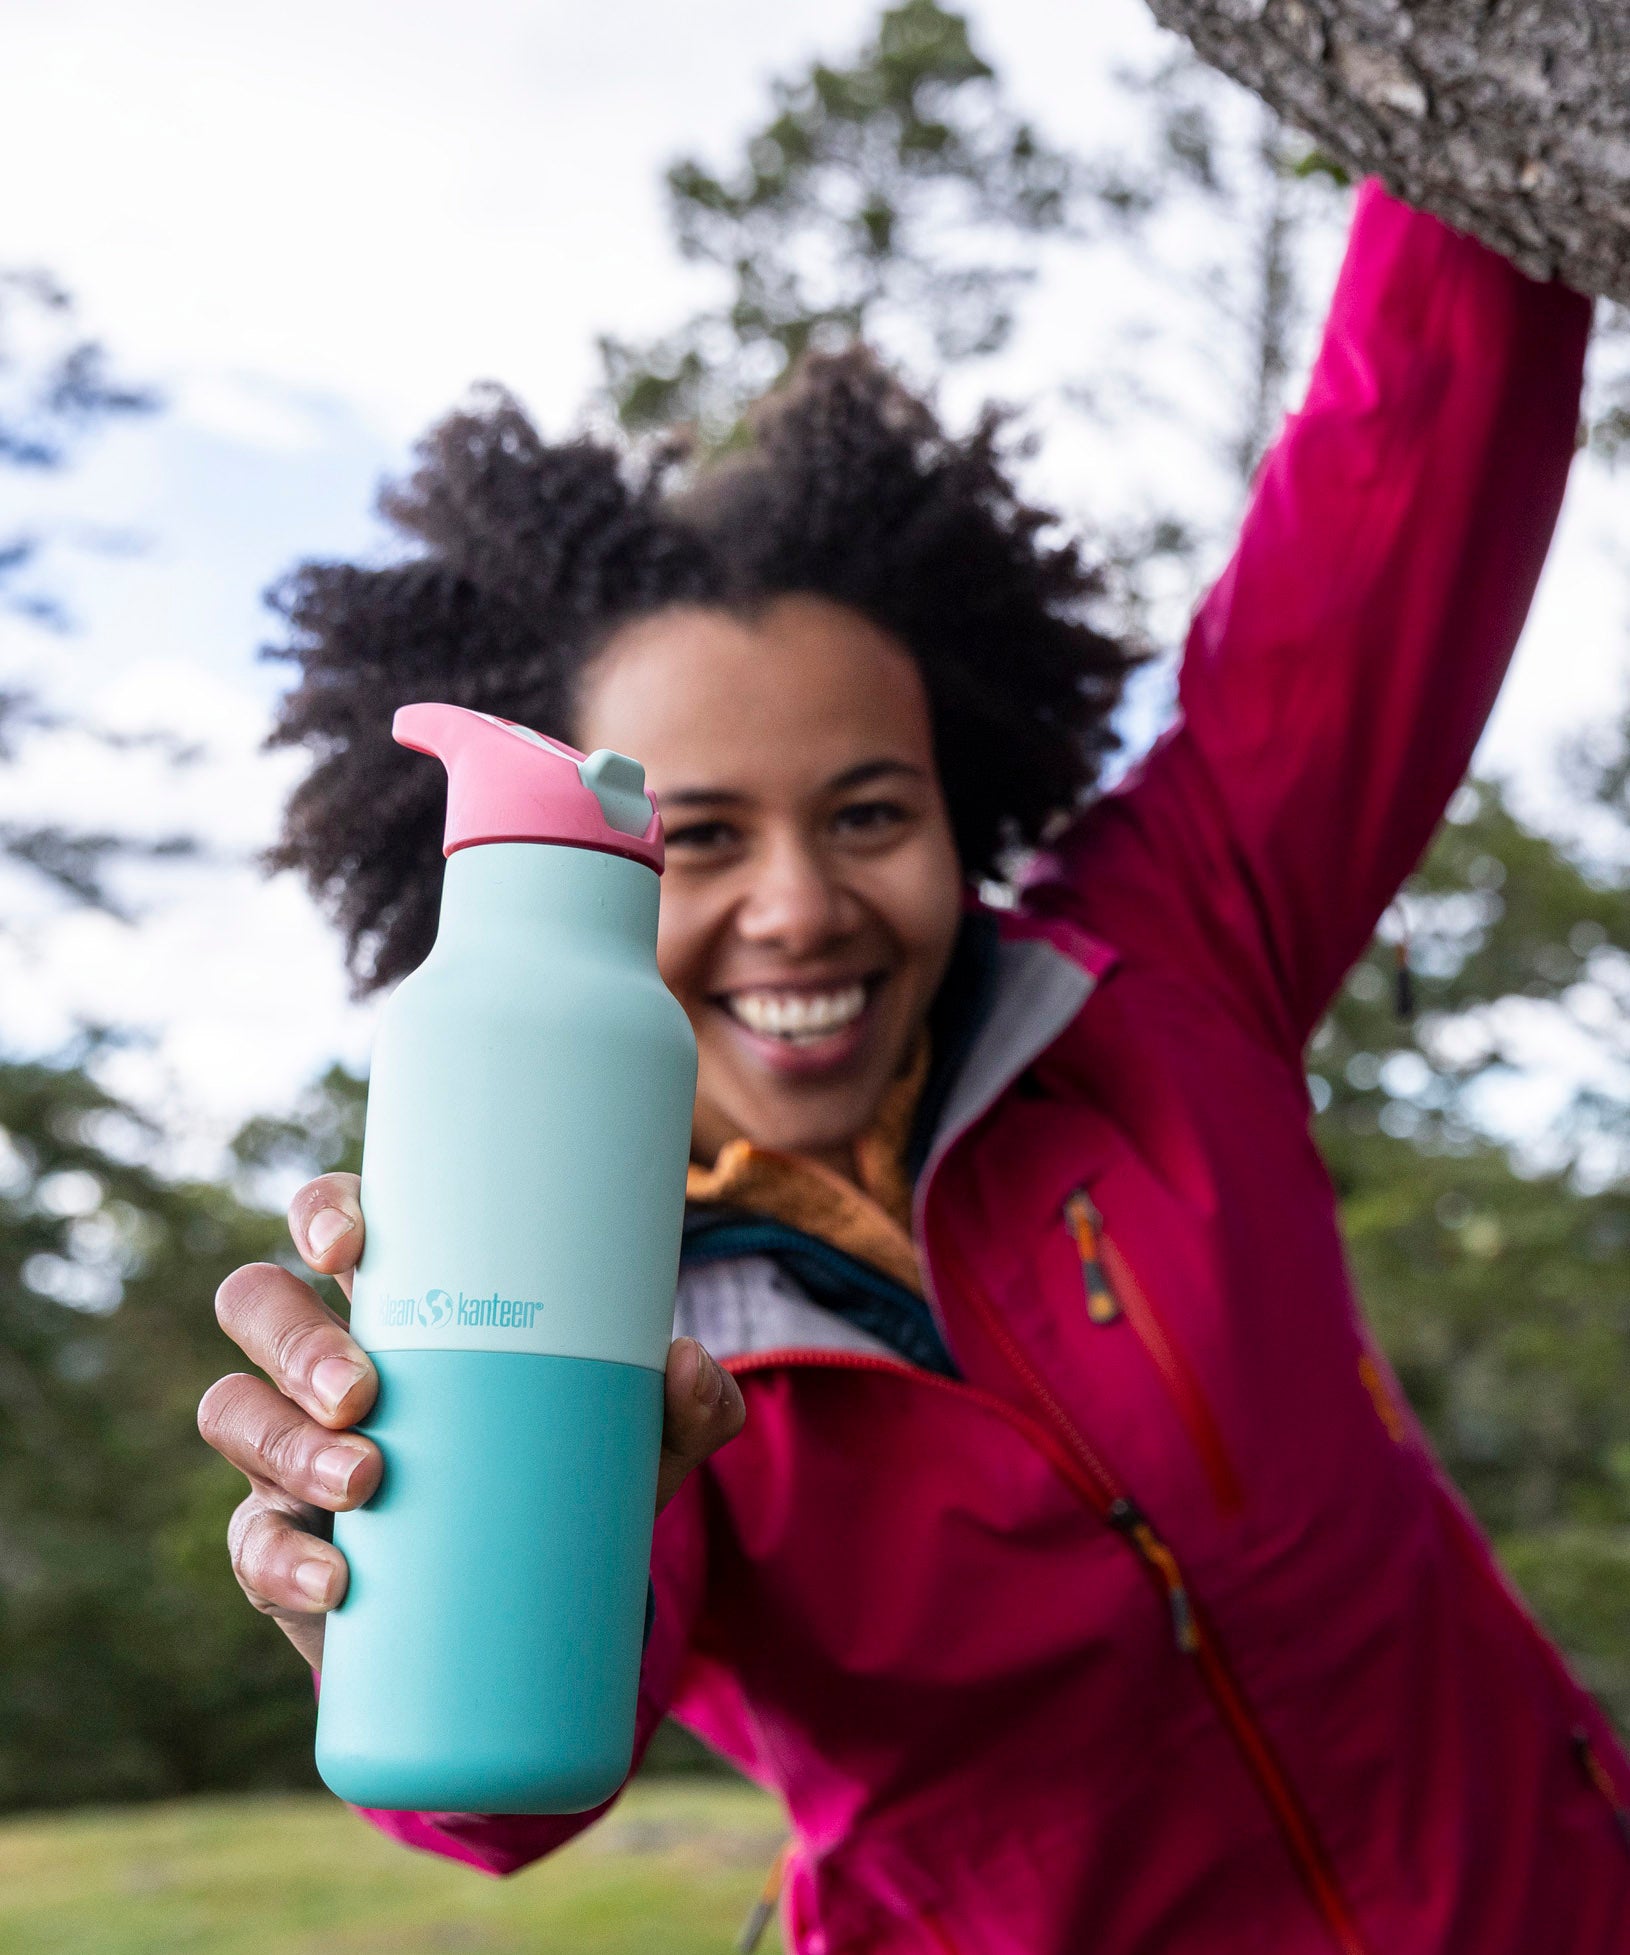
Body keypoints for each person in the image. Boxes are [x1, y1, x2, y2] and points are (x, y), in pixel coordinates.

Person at [198, 179, 1627, 1953]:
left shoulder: (1163, 977)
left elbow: (1415, 454)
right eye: (696, 840)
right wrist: (381, 1590)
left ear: (967, 807)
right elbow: (503, 1785)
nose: (798, 908)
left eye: (868, 811)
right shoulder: (560, 1289)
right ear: (559, 876)